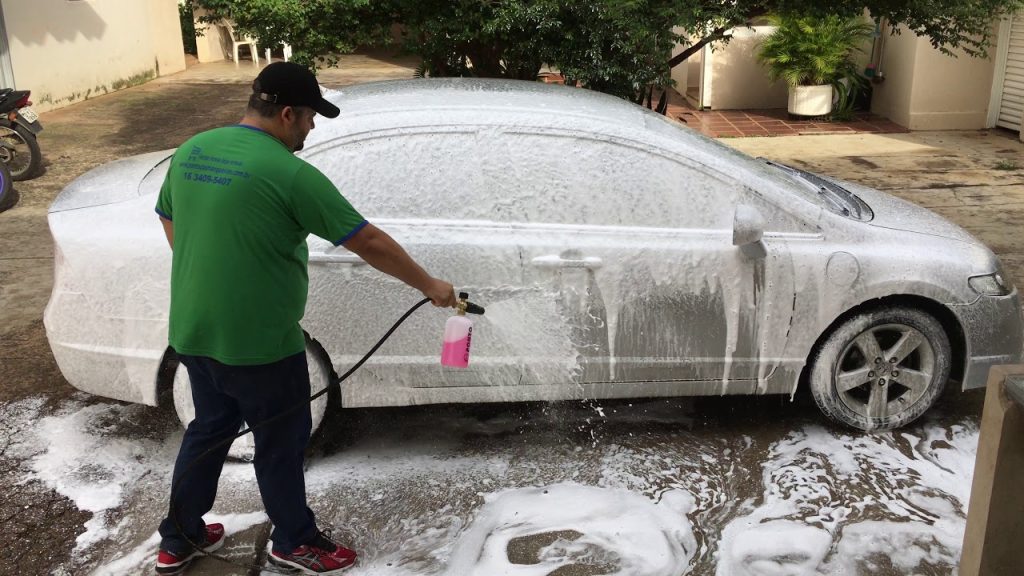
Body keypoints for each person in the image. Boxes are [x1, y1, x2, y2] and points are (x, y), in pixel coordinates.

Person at [153, 61, 456, 575]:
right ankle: (294, 540)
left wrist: (211, 272)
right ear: (288, 113)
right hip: (261, 344)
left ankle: (179, 536)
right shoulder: (290, 174)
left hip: (193, 331)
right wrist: (430, 286)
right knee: (280, 442)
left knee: (209, 429)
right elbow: (368, 240)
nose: (312, 129)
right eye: (311, 117)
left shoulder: (193, 150)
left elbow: (167, 213)